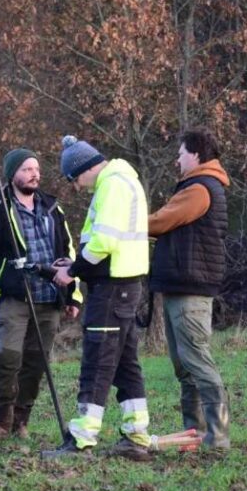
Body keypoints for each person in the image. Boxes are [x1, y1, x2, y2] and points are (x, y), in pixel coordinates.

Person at [45, 136, 152, 461]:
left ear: (85, 168)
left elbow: (104, 241)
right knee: (124, 364)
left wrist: (73, 270)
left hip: (111, 289)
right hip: (124, 286)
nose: (77, 187)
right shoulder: (123, 180)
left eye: (74, 179)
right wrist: (78, 266)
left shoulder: (112, 186)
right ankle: (136, 435)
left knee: (97, 363)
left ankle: (81, 440)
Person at [0, 148, 82, 441]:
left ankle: (21, 422)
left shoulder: (52, 208)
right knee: (6, 357)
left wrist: (72, 295)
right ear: (12, 175)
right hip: (13, 298)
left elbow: (68, 253)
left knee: (36, 363)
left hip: (49, 297)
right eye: (26, 169)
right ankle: (0, 424)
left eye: (36, 168)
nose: (34, 174)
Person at [147, 129, 231, 450]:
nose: (177, 159)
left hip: (190, 288)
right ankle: (192, 434)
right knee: (185, 366)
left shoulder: (198, 189)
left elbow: (161, 221)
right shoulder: (198, 186)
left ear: (195, 154)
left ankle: (217, 437)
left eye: (181, 153)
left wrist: (125, 226)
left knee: (197, 360)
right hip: (180, 286)